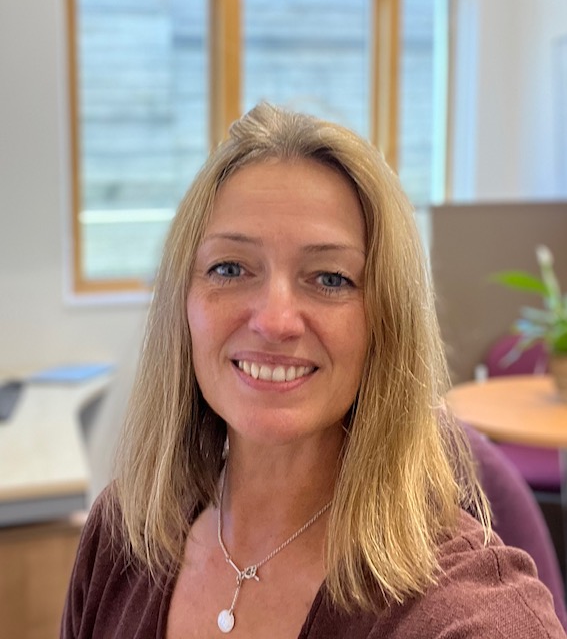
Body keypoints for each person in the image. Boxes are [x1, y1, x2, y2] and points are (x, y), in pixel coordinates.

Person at [61, 103, 565, 638]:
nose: (275, 321)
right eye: (229, 268)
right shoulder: (122, 537)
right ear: (182, 305)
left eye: (330, 278)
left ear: (385, 324)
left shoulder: (470, 618)